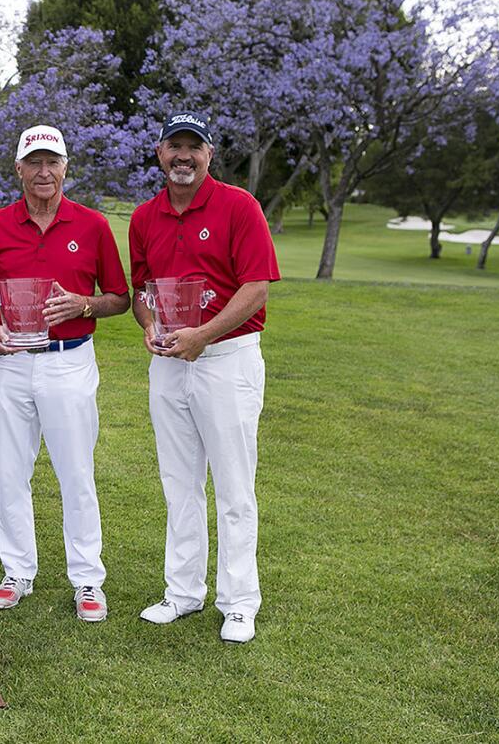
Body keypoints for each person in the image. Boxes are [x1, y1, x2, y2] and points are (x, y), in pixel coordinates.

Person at [129, 112, 280, 644]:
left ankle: (239, 602)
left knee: (235, 487)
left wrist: (204, 335)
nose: (183, 156)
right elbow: (140, 293)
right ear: (160, 152)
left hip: (227, 360)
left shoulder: (239, 206)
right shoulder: (145, 216)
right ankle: (183, 592)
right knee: (178, 482)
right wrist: (150, 326)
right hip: (169, 360)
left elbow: (256, 288)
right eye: (175, 146)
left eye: (194, 147)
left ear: (208, 155)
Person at [0, 125, 130, 622]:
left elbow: (120, 298)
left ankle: (86, 579)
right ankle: (18, 571)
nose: (44, 171)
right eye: (34, 162)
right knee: (12, 471)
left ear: (65, 167)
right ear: (19, 169)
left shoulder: (93, 226)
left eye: (52, 162)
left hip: (69, 360)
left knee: (75, 472)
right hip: (10, 361)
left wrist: (83, 303)